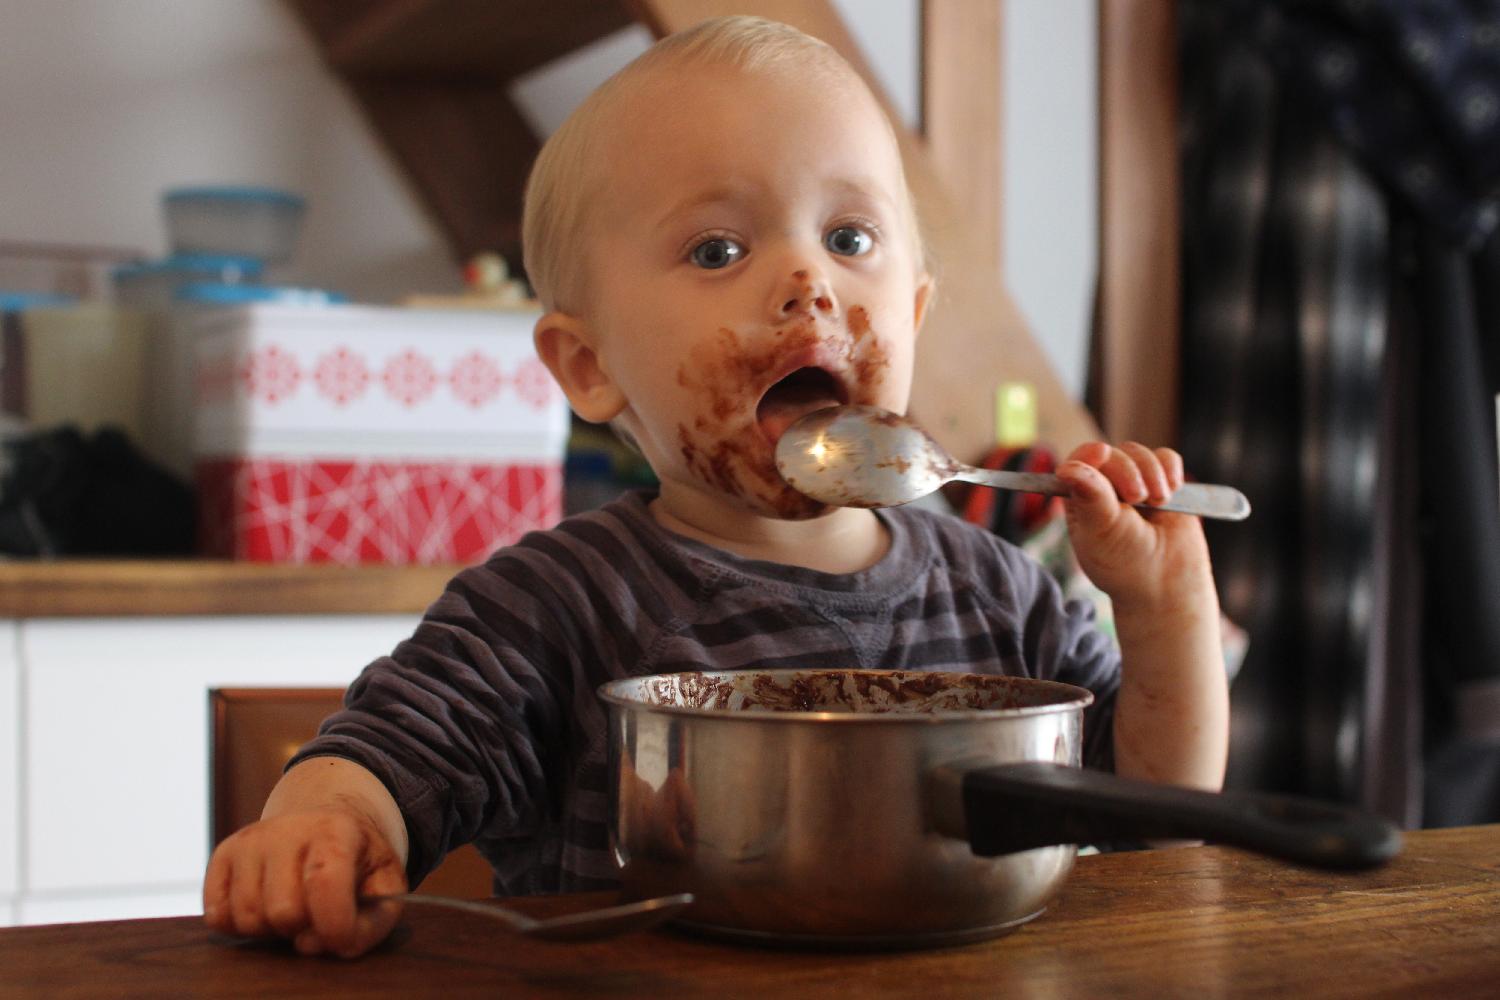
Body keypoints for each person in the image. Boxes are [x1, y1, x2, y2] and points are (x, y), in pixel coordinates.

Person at [202, 15, 1228, 958]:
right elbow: (394, 749)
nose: (807, 281)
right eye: (718, 248)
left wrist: (1166, 606)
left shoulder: (1000, 593)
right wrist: (323, 825)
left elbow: (1152, 813)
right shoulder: (554, 605)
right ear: (589, 366)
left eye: (850, 238)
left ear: (912, 313)